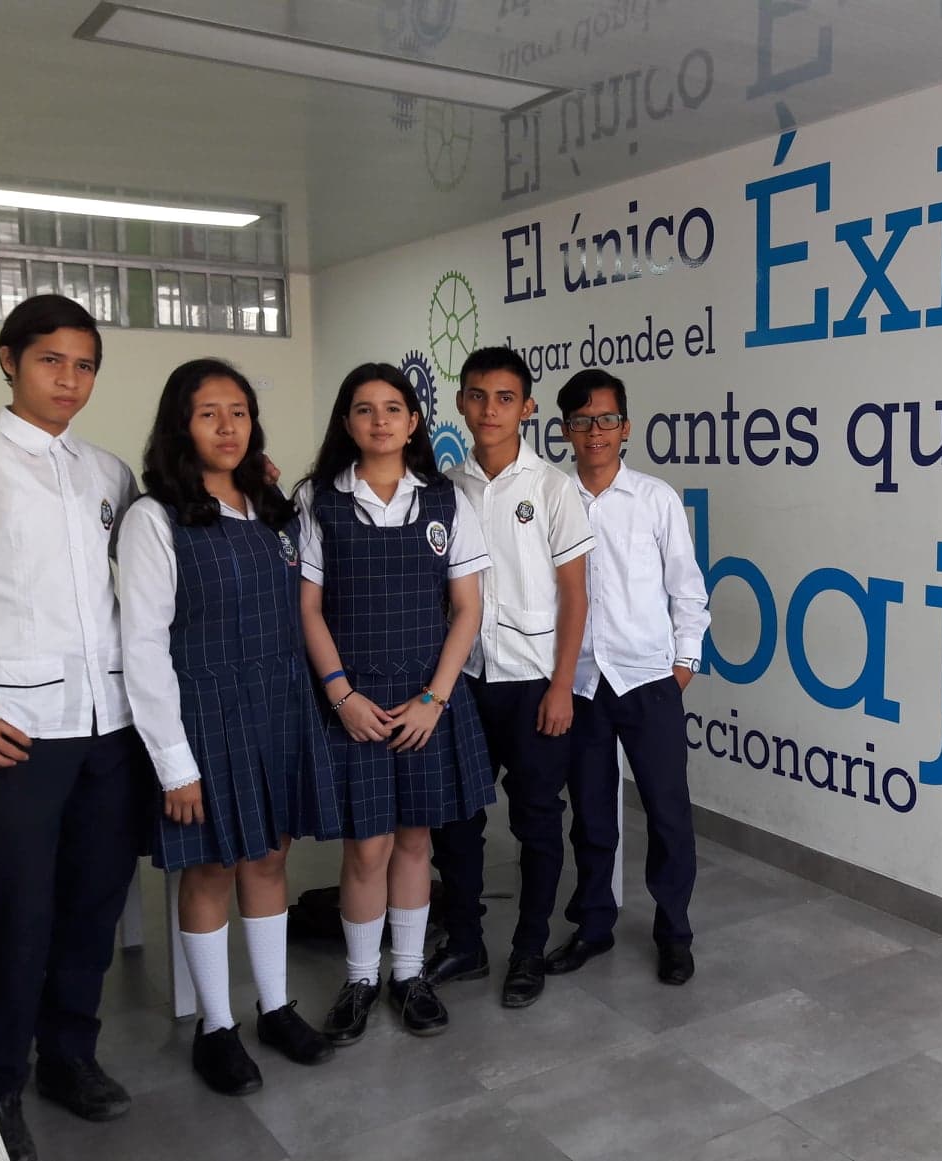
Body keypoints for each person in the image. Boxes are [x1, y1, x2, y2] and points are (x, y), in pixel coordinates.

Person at [0, 294, 151, 1161]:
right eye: (52, 360)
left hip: (111, 725)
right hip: (21, 731)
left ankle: (69, 1057)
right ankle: (1, 1077)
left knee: (93, 902)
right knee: (17, 910)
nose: (69, 380)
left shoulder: (109, 474)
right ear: (9, 360)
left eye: (85, 365)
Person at [117, 358, 336, 1097]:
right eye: (208, 412)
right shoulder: (155, 519)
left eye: (238, 412)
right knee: (211, 867)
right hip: (203, 717)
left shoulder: (271, 508)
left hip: (277, 705)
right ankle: (216, 1027)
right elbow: (143, 646)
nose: (227, 426)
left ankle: (275, 1008)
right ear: (180, 425)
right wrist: (174, 763)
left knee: (269, 860)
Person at [295, 363, 495, 1044]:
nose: (379, 420)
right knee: (367, 845)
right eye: (364, 409)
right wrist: (341, 695)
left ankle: (408, 974)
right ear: (346, 422)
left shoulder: (446, 500)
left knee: (414, 839)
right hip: (353, 698)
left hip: (425, 697)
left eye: (392, 408)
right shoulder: (318, 500)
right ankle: (360, 978)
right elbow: (309, 609)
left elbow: (466, 608)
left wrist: (435, 699)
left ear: (413, 422)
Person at [427, 346, 593, 1008]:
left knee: (536, 819)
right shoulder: (446, 488)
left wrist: (562, 685)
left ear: (526, 408)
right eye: (477, 396)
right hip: (465, 680)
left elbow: (575, 595)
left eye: (504, 398)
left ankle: (528, 947)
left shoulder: (552, 487)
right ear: (460, 403)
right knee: (456, 817)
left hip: (533, 684)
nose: (489, 410)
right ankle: (466, 940)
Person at [548, 369, 709, 986]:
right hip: (581, 683)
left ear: (626, 427)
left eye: (607, 419)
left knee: (668, 812)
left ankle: (674, 932)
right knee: (590, 815)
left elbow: (687, 590)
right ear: (566, 430)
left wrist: (683, 666)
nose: (595, 431)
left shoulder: (655, 499)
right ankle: (594, 924)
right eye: (582, 421)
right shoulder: (553, 499)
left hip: (648, 680)